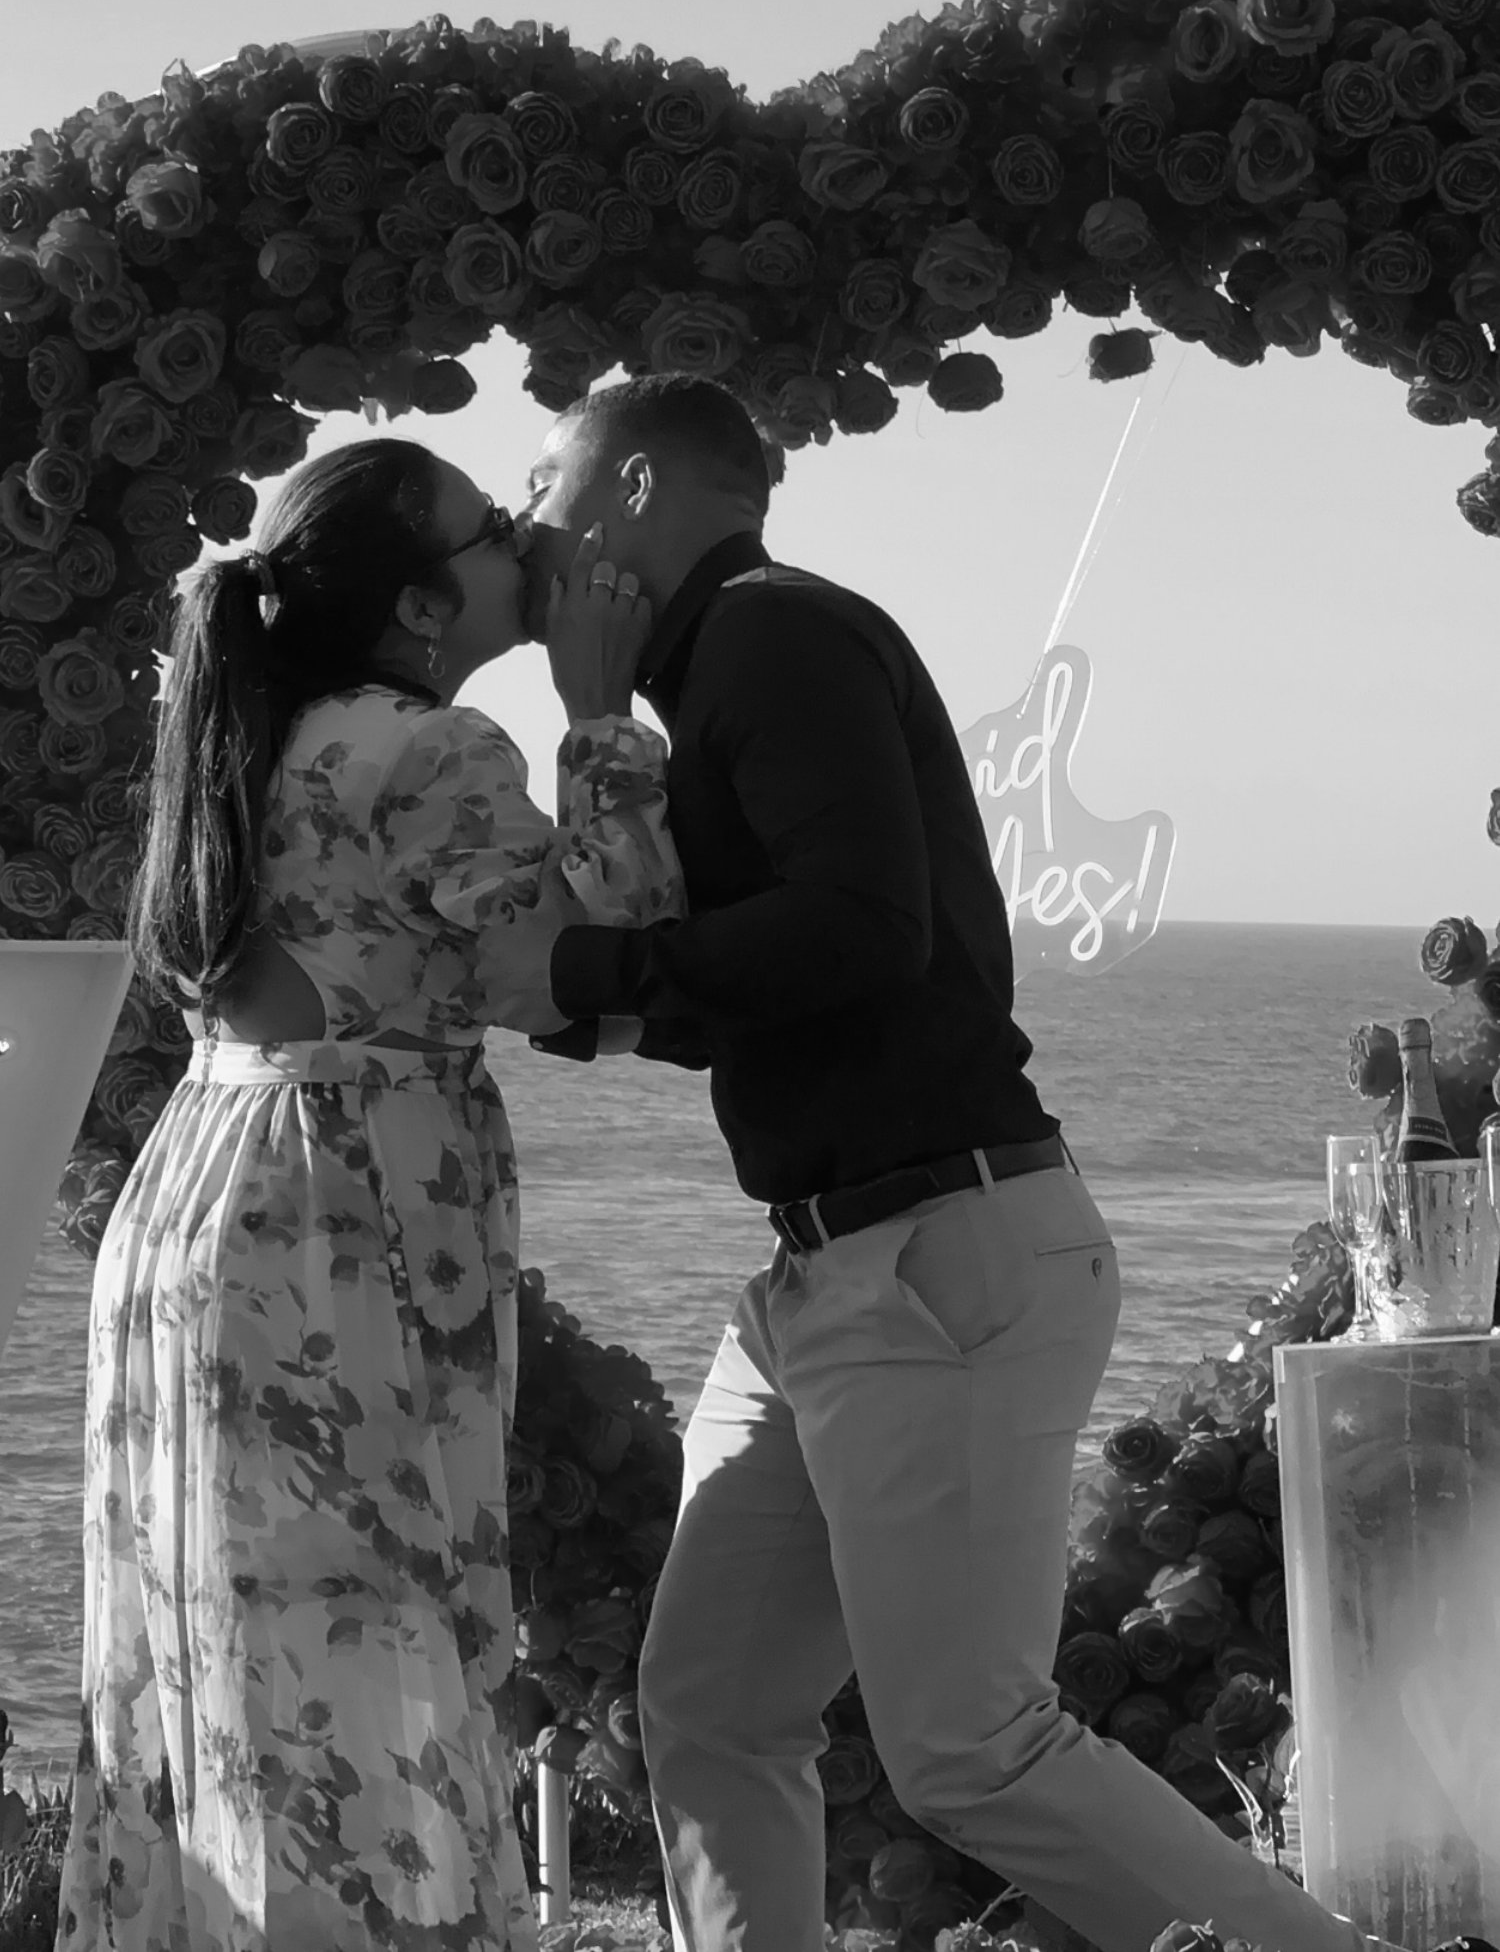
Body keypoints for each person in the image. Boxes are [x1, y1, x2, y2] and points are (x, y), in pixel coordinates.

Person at [520, 374, 1398, 1952]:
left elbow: (858, 934)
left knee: (971, 1746)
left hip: (933, 1255)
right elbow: (737, 978)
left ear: (637, 491)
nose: (528, 517)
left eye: (546, 477)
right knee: (712, 1707)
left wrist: (583, 979)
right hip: (835, 1271)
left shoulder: (771, 637)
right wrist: (595, 810)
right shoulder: (720, 664)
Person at [55, 437, 681, 1952]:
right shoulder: (427, 749)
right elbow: (610, 972)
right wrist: (601, 714)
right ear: (416, 605)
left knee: (224, 1657)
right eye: (489, 533)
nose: (525, 539)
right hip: (342, 1207)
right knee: (363, 1646)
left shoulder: (254, 736)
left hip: (206, 1186)